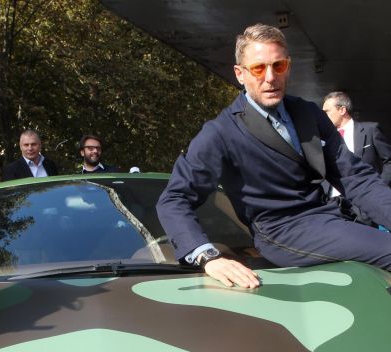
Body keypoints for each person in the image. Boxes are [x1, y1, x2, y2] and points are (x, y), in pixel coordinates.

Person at [156, 23, 391, 289]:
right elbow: (174, 199)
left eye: (278, 66)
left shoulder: (308, 113)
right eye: (258, 68)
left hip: (330, 220)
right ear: (240, 74)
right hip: (281, 232)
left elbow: (355, 177)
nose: (270, 77)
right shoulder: (220, 132)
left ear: (288, 66)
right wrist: (207, 256)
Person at [323, 91, 391, 185]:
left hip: (365, 190)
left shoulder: (370, 130)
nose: (323, 116)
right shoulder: (325, 137)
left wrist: (380, 186)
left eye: (326, 111)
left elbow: (389, 161)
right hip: (333, 192)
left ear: (342, 110)